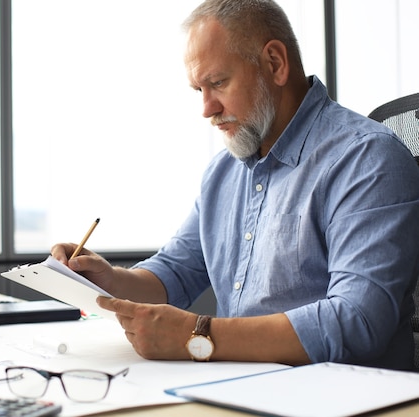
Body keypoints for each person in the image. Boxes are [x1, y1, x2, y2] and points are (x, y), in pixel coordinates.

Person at [51, 0, 419, 370]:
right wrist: (109, 279)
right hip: (238, 385)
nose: (207, 109)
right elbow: (175, 273)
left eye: (218, 83)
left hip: (344, 395)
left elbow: (359, 320)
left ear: (275, 64)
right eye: (199, 90)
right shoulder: (222, 173)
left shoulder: (366, 159)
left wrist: (199, 336)